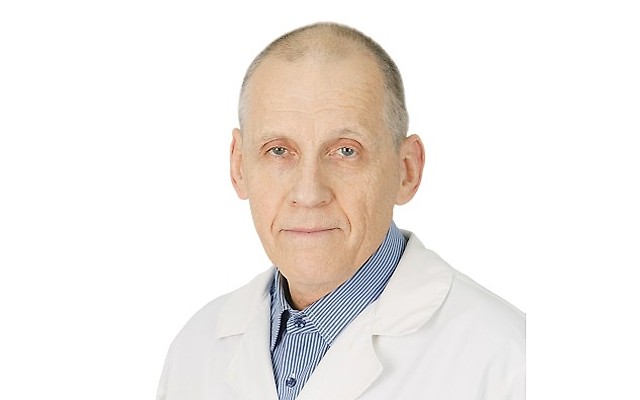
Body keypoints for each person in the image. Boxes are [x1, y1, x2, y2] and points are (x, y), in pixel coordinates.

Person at [157, 22, 525, 400]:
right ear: (239, 167)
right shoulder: (196, 351)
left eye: (346, 151)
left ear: (407, 171)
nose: (308, 193)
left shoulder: (508, 363)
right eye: (278, 151)